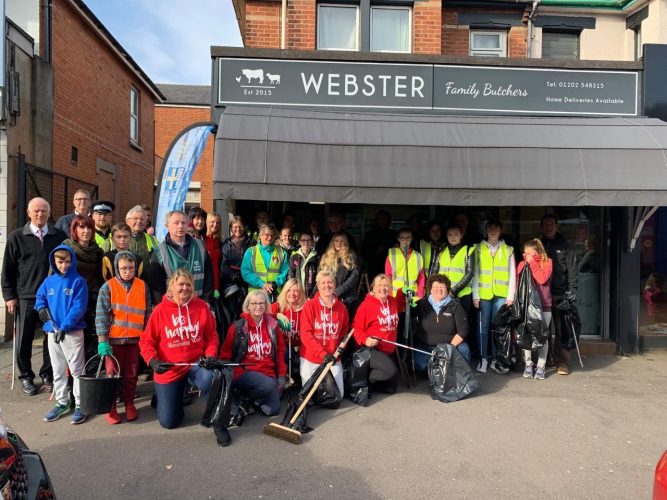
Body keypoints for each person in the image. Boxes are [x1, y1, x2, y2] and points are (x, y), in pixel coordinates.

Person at [138, 269, 227, 445]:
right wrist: (152, 361)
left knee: (211, 376)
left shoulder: (201, 306)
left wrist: (210, 355)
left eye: (188, 284)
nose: (185, 288)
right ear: (172, 286)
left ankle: (218, 421)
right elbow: (146, 341)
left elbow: (211, 336)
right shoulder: (160, 311)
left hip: (195, 364)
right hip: (170, 369)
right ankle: (167, 395)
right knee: (169, 422)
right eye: (181, 284)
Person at [2, 197, 66, 395]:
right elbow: (8, 269)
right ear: (29, 213)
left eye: (44, 211)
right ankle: (26, 376)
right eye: (36, 211)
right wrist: (9, 296)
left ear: (48, 213)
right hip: (26, 297)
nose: (40, 214)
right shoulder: (16, 237)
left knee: (51, 338)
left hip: (52, 298)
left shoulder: (59, 236)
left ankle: (47, 374)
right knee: (23, 340)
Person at [35, 245, 88, 424]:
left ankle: (81, 404)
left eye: (67, 261)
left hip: (72, 332)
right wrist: (41, 308)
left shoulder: (78, 281)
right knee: (57, 369)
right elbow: (40, 297)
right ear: (54, 262)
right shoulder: (49, 281)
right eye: (60, 262)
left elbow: (78, 307)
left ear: (72, 261)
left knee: (77, 370)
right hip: (53, 332)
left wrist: (65, 326)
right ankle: (62, 402)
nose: (64, 265)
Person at [95, 251, 151, 423]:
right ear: (117, 268)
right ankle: (110, 408)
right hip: (113, 341)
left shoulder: (143, 286)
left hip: (135, 341)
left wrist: (148, 338)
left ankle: (129, 404)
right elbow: (102, 315)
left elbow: (148, 314)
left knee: (131, 374)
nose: (128, 271)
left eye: (131, 268)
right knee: (112, 375)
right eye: (124, 268)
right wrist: (102, 340)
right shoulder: (108, 287)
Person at [220, 290, 287, 420]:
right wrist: (226, 376)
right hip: (245, 371)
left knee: (273, 410)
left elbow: (280, 351)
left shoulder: (272, 325)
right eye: (254, 303)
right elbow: (225, 352)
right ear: (248, 306)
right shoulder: (238, 326)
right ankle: (240, 394)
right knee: (268, 386)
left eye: (262, 303)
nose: (258, 306)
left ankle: (248, 399)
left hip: (268, 372)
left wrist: (282, 375)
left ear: (266, 305)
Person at [472, 220, 515, 374]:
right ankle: (483, 358)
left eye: (496, 228)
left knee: (498, 328)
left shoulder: (508, 250)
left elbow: (512, 275)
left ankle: (496, 359)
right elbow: (475, 273)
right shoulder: (477, 248)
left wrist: (511, 295)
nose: (493, 231)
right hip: (483, 295)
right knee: (482, 328)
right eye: (490, 228)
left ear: (501, 231)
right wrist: (475, 295)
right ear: (486, 230)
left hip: (502, 295)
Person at [300, 270, 350, 396]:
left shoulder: (342, 308)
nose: (327, 285)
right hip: (311, 358)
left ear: (334, 284)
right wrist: (322, 354)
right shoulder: (309, 306)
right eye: (323, 283)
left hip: (332, 358)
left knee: (337, 396)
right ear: (318, 285)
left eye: (330, 282)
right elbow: (306, 334)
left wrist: (342, 346)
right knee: (310, 397)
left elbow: (344, 331)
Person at [148, 210, 213, 305]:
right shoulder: (159, 251)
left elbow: (209, 277)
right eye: (176, 223)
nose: (180, 226)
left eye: (183, 223)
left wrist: (207, 301)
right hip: (173, 307)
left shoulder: (200, 246)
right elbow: (156, 287)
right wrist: (163, 307)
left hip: (198, 305)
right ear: (167, 226)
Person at [540, 214, 578, 375]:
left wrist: (572, 291)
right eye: (546, 224)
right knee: (543, 330)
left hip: (561, 294)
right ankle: (547, 360)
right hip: (542, 294)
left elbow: (572, 270)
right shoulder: (538, 244)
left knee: (563, 330)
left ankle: (562, 362)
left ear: (557, 226)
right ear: (542, 227)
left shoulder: (565, 245)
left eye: (551, 224)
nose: (549, 227)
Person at [64, 215, 104, 359]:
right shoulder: (67, 248)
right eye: (81, 227)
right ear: (74, 229)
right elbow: (55, 277)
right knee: (71, 339)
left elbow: (100, 278)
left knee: (91, 338)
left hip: (91, 300)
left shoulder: (97, 251)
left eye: (89, 227)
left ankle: (89, 373)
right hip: (71, 300)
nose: (86, 231)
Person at [352, 274, 399, 392]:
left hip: (389, 349)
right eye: (380, 285)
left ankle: (375, 382)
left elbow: (403, 304)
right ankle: (367, 376)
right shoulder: (366, 305)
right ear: (373, 288)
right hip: (373, 349)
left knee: (391, 389)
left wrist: (403, 293)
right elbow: (356, 327)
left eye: (386, 285)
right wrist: (366, 340)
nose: (383, 288)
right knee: (390, 371)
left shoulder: (393, 302)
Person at [413, 274, 471, 370]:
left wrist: (449, 348)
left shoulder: (455, 306)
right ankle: (442, 369)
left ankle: (449, 370)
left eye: (442, 287)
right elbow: (406, 315)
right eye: (436, 286)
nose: (439, 289)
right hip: (427, 347)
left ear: (447, 289)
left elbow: (463, 330)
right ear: (430, 289)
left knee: (464, 350)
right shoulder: (422, 304)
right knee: (420, 365)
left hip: (450, 347)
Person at [517, 239, 553, 380]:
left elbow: (542, 279)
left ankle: (541, 365)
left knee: (542, 336)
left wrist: (532, 263)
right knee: (526, 334)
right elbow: (519, 283)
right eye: (524, 253)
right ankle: (528, 363)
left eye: (529, 253)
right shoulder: (522, 264)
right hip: (527, 305)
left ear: (537, 252)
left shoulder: (547, 262)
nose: (526, 256)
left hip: (544, 305)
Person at [433, 224, 475, 319]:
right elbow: (435, 271)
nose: (453, 237)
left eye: (456, 234)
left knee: (461, 324)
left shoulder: (469, 250)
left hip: (462, 295)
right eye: (450, 235)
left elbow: (469, 273)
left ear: (461, 235)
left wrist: (453, 291)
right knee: (444, 323)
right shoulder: (442, 250)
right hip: (442, 293)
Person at [240, 223, 288, 302]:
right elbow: (245, 272)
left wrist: (275, 284)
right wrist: (262, 284)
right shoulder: (251, 252)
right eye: (267, 235)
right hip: (255, 295)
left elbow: (285, 272)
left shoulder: (282, 252)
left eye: (272, 235)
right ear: (260, 235)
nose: (270, 237)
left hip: (275, 295)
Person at [271, 278, 307, 384]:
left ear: (301, 293)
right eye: (289, 290)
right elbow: (261, 317)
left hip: (300, 347)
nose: (292, 293)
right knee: (286, 352)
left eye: (296, 291)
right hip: (283, 349)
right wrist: (275, 316)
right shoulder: (277, 307)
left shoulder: (306, 308)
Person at [385, 228, 425, 313]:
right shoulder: (392, 255)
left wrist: (420, 296)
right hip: (395, 295)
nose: (405, 240)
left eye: (408, 237)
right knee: (398, 321)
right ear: (398, 238)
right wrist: (389, 295)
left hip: (413, 296)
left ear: (412, 238)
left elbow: (421, 279)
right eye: (402, 237)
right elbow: (388, 277)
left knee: (412, 321)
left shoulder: (418, 256)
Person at [319, 232, 360, 315]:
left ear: (345, 242)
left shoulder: (351, 256)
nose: (339, 243)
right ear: (332, 242)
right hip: (328, 296)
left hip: (347, 298)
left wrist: (339, 290)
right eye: (336, 240)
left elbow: (354, 276)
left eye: (342, 241)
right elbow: (320, 277)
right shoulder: (326, 257)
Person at [221, 216, 252, 318]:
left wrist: (246, 278)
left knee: (247, 310)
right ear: (231, 227)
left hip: (247, 281)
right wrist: (233, 277)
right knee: (232, 312)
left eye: (240, 226)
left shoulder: (251, 242)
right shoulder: (226, 243)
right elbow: (224, 264)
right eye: (235, 227)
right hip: (231, 281)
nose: (238, 229)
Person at [361, 210, 396, 281]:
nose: (383, 221)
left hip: (391, 268)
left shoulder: (393, 235)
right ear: (376, 220)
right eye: (381, 219)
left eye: (385, 219)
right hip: (374, 269)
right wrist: (375, 250)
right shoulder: (370, 235)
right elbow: (363, 253)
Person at [125, 205, 159, 273]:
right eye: (135, 218)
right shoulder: (114, 239)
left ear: (146, 222)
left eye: (142, 219)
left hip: (146, 281)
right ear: (127, 221)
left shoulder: (154, 239)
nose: (139, 221)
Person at [288, 231, 319, 298]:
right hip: (297, 294)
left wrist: (312, 296)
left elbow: (319, 279)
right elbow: (291, 278)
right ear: (299, 242)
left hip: (312, 295)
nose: (306, 243)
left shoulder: (317, 257)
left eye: (309, 240)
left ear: (312, 242)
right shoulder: (294, 257)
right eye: (303, 240)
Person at [204, 212, 223, 295]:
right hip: (204, 283)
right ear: (207, 222)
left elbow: (215, 266)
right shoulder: (202, 239)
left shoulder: (218, 241)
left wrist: (216, 287)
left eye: (218, 222)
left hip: (215, 283)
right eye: (212, 222)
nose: (215, 225)